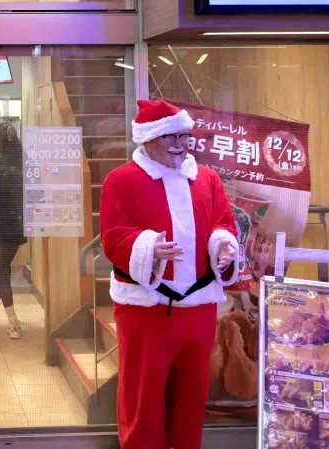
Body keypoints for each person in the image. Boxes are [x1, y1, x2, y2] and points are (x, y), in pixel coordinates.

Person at [100, 99, 239, 449]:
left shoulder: (207, 179)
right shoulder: (121, 181)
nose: (180, 144)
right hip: (147, 311)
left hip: (199, 310)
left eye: (184, 135)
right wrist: (147, 250)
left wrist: (223, 246)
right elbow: (113, 236)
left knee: (192, 399)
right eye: (170, 136)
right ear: (148, 139)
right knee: (143, 397)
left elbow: (224, 224)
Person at [0, 122, 27, 339]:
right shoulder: (25, 163)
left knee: (1, 270)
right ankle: (11, 322)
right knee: (2, 269)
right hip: (17, 224)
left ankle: (6, 321)